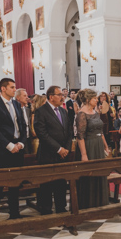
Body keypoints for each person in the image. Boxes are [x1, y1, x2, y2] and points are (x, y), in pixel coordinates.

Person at [0, 78, 29, 221]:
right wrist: (10, 145)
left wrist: (21, 144)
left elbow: (23, 126)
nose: (14, 89)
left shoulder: (17, 104)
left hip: (18, 149)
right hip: (4, 150)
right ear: (3, 89)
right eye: (12, 87)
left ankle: (14, 213)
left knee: (15, 184)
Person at [32, 85, 73, 214]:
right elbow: (42, 134)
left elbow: (69, 131)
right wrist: (58, 149)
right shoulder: (41, 111)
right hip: (48, 154)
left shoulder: (63, 111)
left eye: (62, 95)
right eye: (59, 95)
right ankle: (46, 210)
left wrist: (66, 148)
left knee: (61, 183)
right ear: (51, 97)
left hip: (62, 154)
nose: (62, 97)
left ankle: (61, 208)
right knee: (47, 184)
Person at [75, 89, 112, 208]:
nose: (97, 100)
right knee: (89, 175)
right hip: (89, 145)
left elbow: (100, 132)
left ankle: (99, 201)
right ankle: (88, 203)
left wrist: (106, 147)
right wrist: (84, 154)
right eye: (94, 98)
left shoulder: (95, 112)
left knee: (100, 173)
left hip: (98, 145)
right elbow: (80, 135)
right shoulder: (81, 113)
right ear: (87, 99)